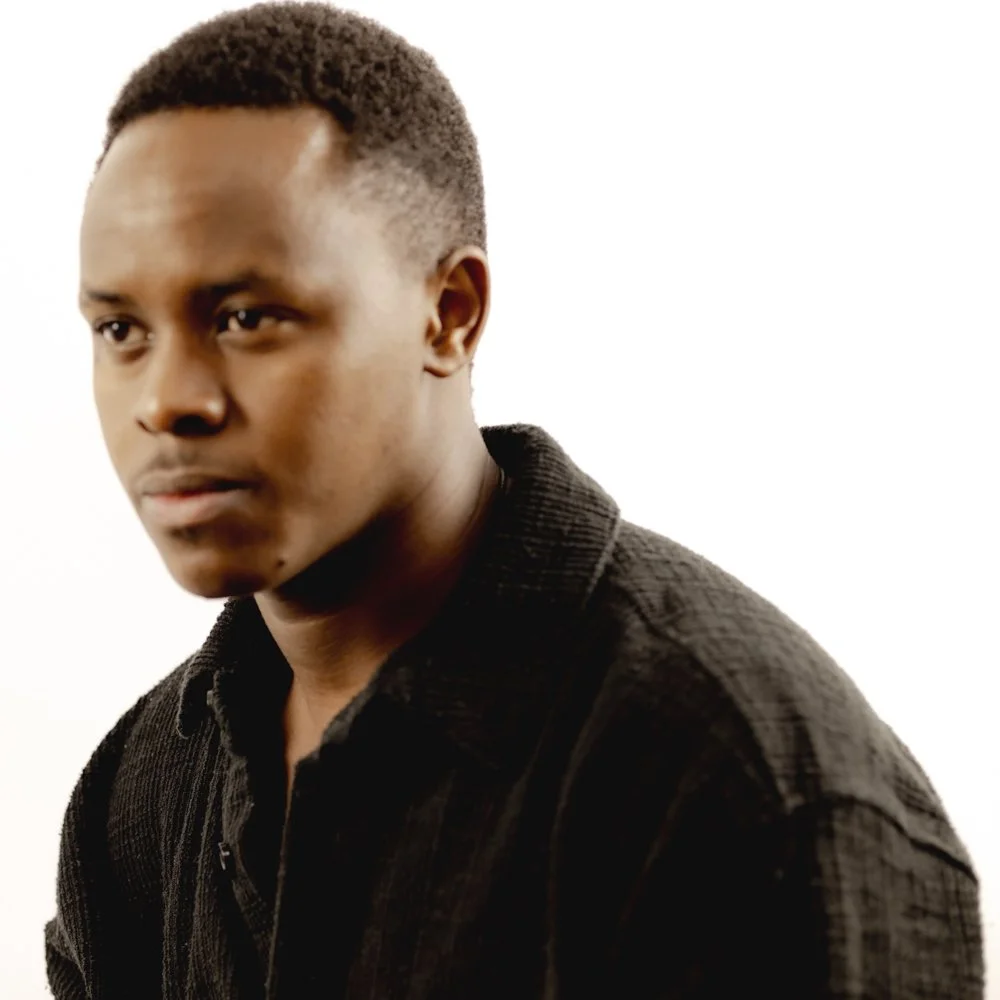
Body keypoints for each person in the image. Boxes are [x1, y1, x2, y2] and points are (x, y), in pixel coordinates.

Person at [45, 2, 983, 997]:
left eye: (245, 315)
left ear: (448, 314)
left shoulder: (733, 781)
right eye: (121, 331)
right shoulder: (139, 795)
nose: (167, 401)